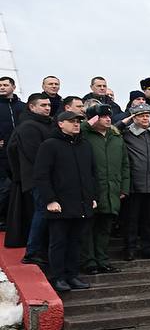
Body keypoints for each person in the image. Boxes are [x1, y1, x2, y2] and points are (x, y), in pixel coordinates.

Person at [34, 110, 96, 293]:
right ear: (60, 124)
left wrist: (93, 197)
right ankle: (58, 277)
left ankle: (72, 275)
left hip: (82, 203)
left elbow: (92, 174)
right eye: (72, 121)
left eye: (78, 121)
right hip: (59, 204)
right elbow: (41, 176)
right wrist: (50, 200)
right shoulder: (49, 145)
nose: (76, 124)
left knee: (76, 241)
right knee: (58, 242)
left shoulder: (85, 145)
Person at [81, 104, 130, 274]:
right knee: (88, 228)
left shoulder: (116, 137)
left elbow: (125, 164)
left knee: (104, 228)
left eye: (109, 116)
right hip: (92, 190)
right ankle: (89, 262)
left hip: (112, 190)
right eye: (103, 116)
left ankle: (102, 260)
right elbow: (78, 130)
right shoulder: (84, 135)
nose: (108, 119)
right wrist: (88, 122)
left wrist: (124, 188)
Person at [7, 94, 56, 256]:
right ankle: (33, 252)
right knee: (41, 213)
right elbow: (34, 155)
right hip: (38, 179)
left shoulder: (49, 123)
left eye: (49, 105)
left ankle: (40, 250)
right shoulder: (28, 127)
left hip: (49, 177)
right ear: (32, 107)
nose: (47, 108)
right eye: (43, 105)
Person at [120, 103, 150, 259]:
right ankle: (130, 248)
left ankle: (149, 248)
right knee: (131, 220)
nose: (145, 118)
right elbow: (111, 130)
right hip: (134, 186)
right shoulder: (125, 135)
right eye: (140, 115)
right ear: (133, 118)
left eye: (147, 115)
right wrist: (124, 122)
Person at [0, 75, 22, 229]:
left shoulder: (22, 106)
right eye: (0, 85)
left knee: (16, 187)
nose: (2, 87)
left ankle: (13, 219)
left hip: (19, 153)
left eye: (5, 85)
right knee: (4, 187)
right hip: (2, 154)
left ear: (13, 87)